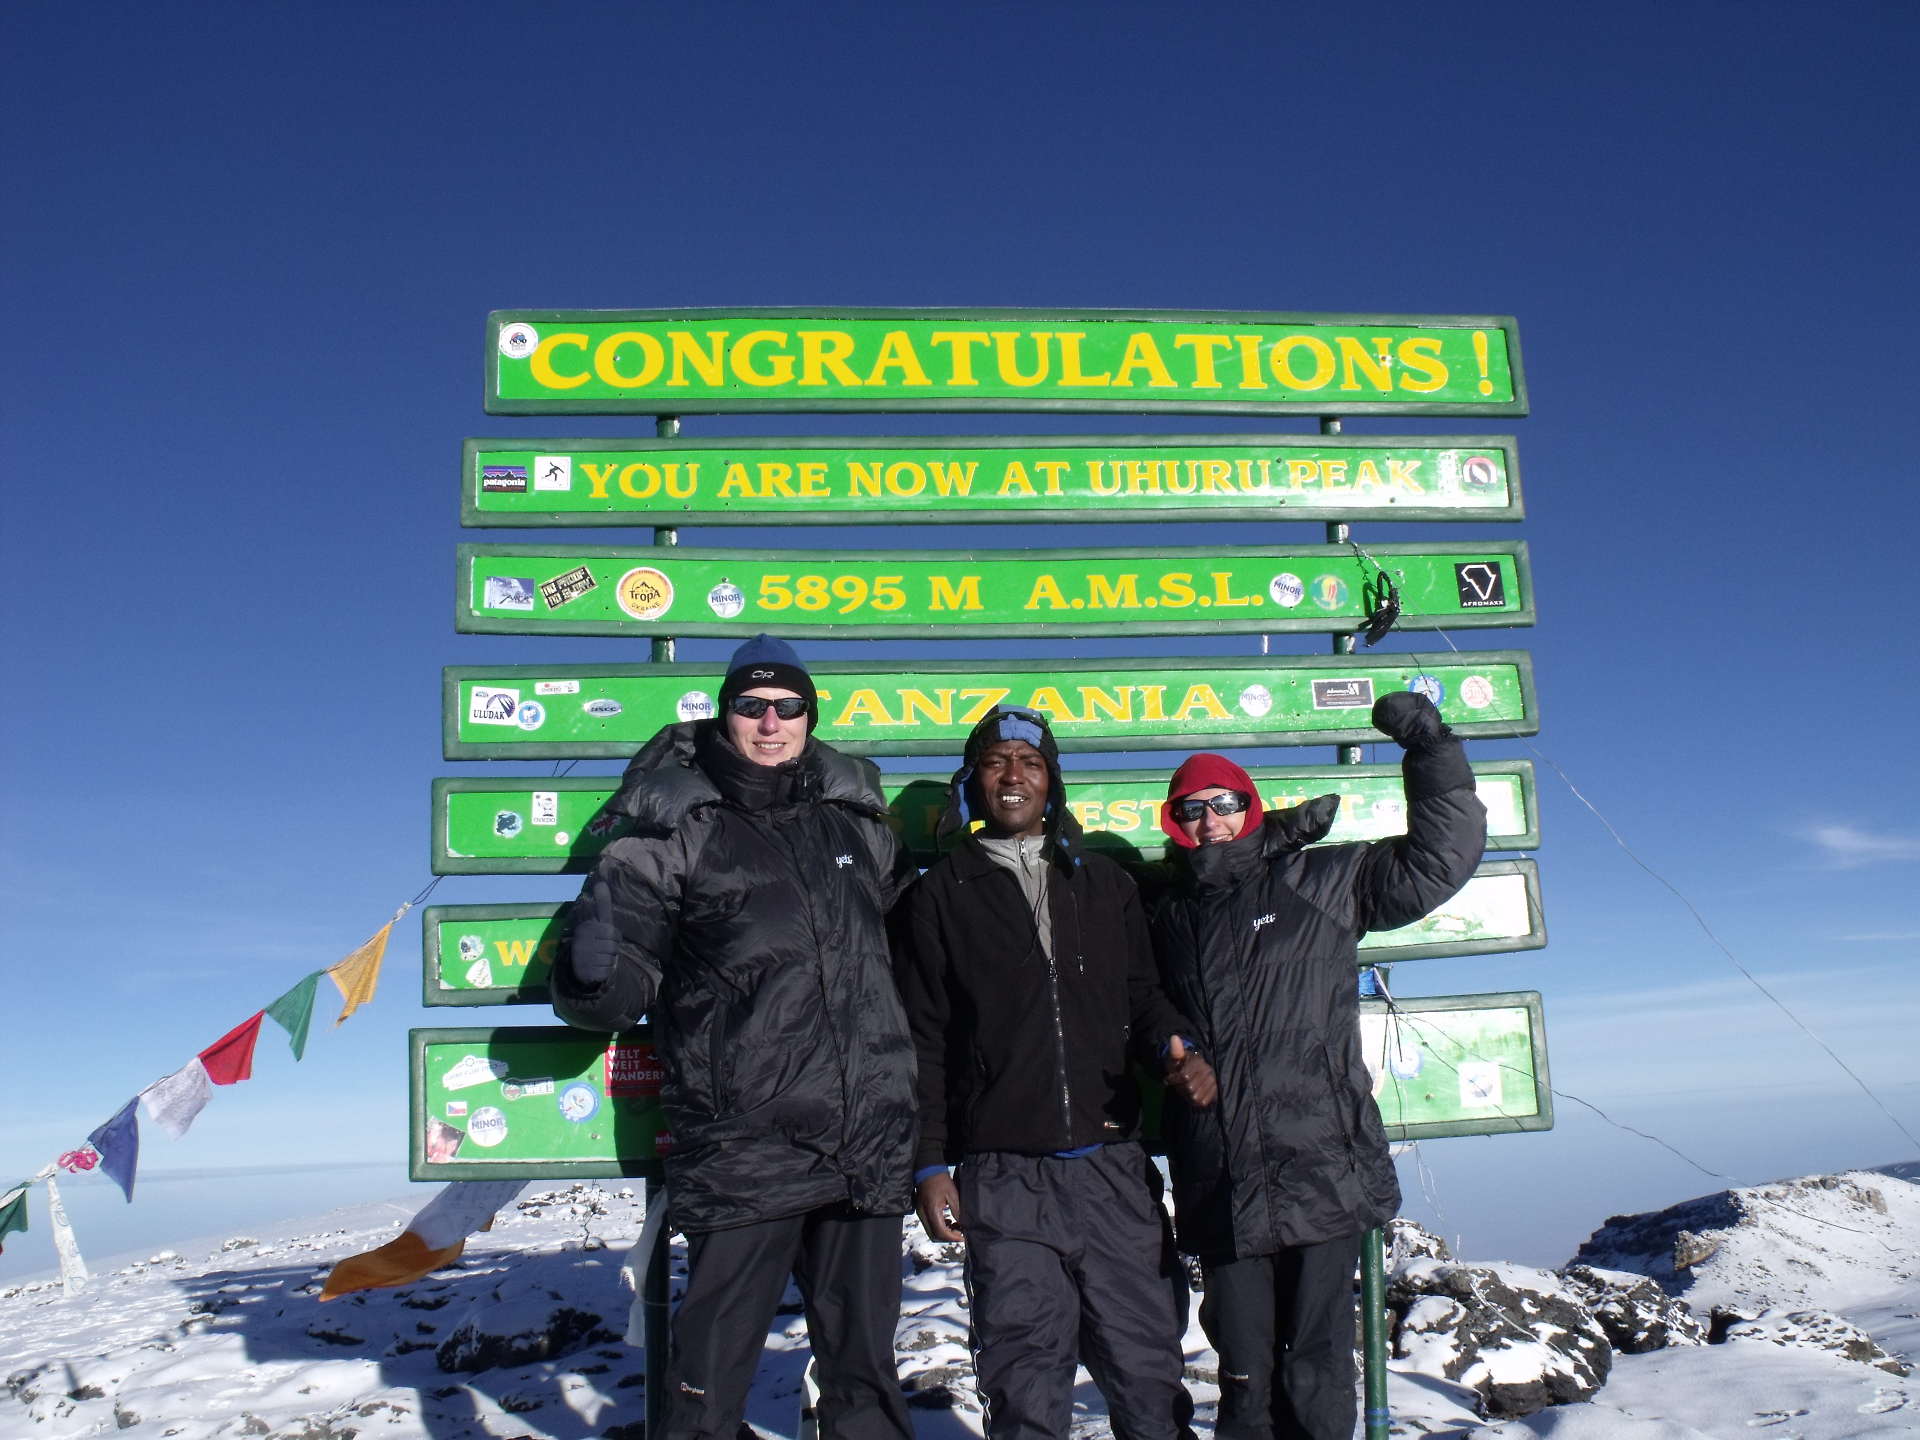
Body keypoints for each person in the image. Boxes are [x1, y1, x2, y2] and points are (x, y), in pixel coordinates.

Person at [551, 634, 916, 1440]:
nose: (771, 722)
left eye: (789, 707)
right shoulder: (675, 825)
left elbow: (898, 952)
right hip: (745, 1141)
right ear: (726, 716)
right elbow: (615, 993)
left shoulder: (859, 828)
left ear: (811, 718)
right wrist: (592, 970)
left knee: (865, 1375)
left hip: (864, 1138)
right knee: (707, 1385)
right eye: (752, 707)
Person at [1150, 693, 1486, 1440]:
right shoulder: (1166, 913)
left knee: (1317, 1373)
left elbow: (1441, 859)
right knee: (1243, 1380)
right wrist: (1172, 1047)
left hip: (1320, 1174)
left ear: (1251, 807)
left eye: (1224, 803)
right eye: (1191, 809)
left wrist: (1431, 749)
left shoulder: (1321, 882)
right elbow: (1138, 1004)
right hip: (1222, 1181)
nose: (1209, 821)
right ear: (1176, 823)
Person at [896, 705, 1218, 1440]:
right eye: (996, 762)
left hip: (1113, 1172)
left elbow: (1142, 997)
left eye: (1031, 763)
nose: (1014, 776)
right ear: (971, 784)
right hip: (1004, 1178)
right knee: (1024, 1389)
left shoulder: (1105, 884)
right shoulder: (940, 895)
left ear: (1053, 784)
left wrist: (1178, 1046)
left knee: (1147, 1379)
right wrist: (928, 1165)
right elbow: (927, 1039)